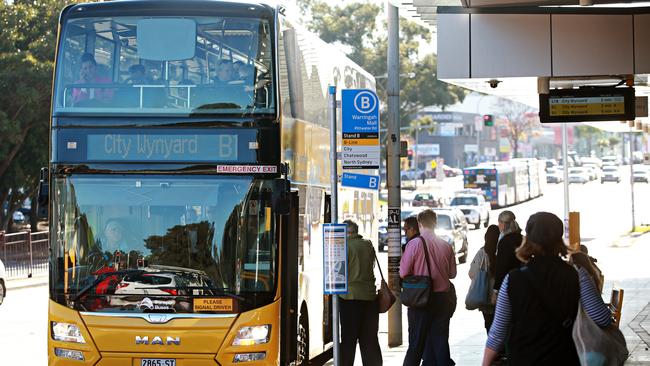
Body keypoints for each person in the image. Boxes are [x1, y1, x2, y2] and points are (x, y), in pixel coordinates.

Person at [482, 212, 612, 366]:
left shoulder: (512, 280)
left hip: (524, 359)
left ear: (528, 239)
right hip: (565, 358)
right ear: (559, 240)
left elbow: (497, 333)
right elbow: (602, 318)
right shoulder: (577, 275)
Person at [400, 209, 457, 366]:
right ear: (436, 222)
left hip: (421, 299)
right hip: (443, 299)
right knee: (440, 341)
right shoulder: (446, 245)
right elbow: (452, 274)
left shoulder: (414, 244)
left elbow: (404, 272)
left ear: (419, 224)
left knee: (416, 344)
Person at [339, 220, 382, 366]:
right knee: (369, 340)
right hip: (370, 298)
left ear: (347, 232)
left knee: (348, 340)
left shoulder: (344, 247)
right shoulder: (368, 244)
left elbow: (339, 273)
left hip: (350, 298)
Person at [468, 224, 500, 334]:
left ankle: (493, 349)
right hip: (500, 297)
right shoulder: (502, 252)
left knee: (489, 325)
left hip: (485, 296)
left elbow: (472, 273)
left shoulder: (482, 253)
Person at [493, 210, 523, 292]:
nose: (498, 225)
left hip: (508, 284)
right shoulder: (522, 238)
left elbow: (501, 266)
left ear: (503, 224)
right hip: (523, 281)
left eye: (499, 223)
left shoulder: (504, 242)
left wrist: (496, 289)